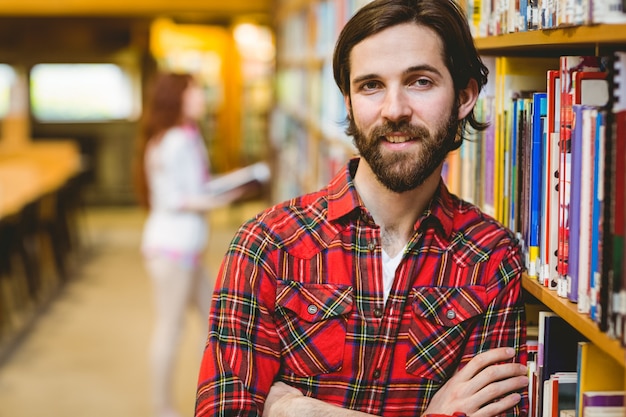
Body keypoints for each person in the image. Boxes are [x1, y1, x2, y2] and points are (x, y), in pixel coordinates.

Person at [194, 0, 529, 416]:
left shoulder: (493, 256)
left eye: (420, 82)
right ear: (349, 102)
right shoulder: (267, 244)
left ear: (464, 97)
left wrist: (304, 412)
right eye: (371, 85)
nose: (394, 110)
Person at [134, 71, 246, 417]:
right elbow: (175, 198)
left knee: (215, 320)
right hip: (172, 249)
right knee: (170, 326)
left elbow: (194, 185)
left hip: (186, 249)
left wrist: (224, 186)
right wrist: (221, 199)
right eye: (195, 92)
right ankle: (162, 407)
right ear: (177, 97)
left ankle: (214, 394)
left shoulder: (185, 135)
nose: (202, 98)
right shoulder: (174, 141)